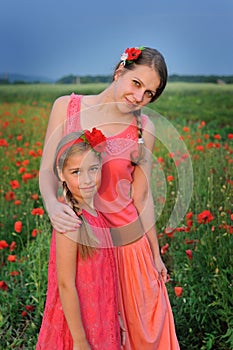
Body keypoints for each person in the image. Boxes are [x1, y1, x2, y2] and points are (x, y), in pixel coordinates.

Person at [39, 46, 180, 349]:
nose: (140, 97)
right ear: (120, 72)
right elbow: (48, 169)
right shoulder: (67, 107)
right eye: (136, 83)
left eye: (150, 94)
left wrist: (155, 255)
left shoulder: (144, 127)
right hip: (84, 245)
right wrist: (52, 205)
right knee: (85, 330)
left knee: (142, 332)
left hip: (129, 246)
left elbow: (142, 197)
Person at [36, 129, 122, 350]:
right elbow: (65, 285)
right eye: (76, 172)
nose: (86, 180)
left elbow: (108, 274)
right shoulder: (71, 222)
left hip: (101, 313)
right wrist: (80, 340)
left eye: (93, 169)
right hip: (79, 324)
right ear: (61, 174)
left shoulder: (99, 215)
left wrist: (116, 315)